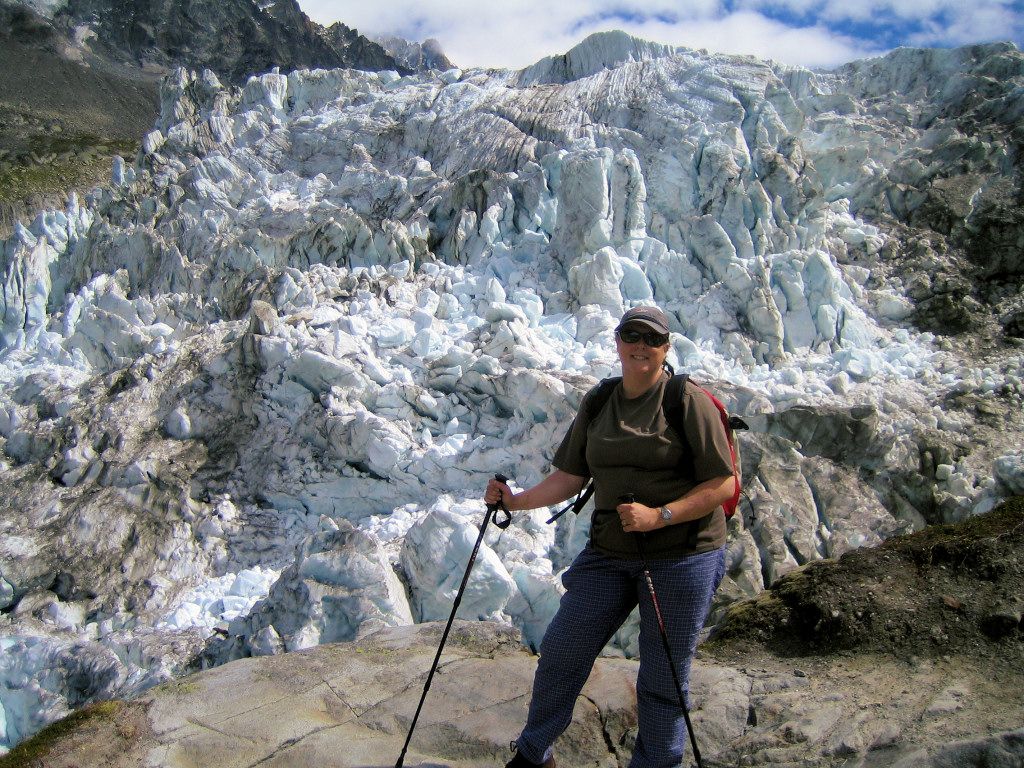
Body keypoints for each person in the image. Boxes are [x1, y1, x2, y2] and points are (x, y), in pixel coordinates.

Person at [485, 305, 735, 768]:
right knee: (561, 652)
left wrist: (660, 515)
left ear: (666, 348)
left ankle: (657, 763)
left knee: (662, 678)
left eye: (652, 338)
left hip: (682, 555)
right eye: (630, 335)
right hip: (610, 552)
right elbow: (570, 476)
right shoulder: (601, 400)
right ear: (617, 342)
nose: (640, 344)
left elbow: (722, 485)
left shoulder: (686, 400)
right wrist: (513, 502)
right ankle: (534, 754)